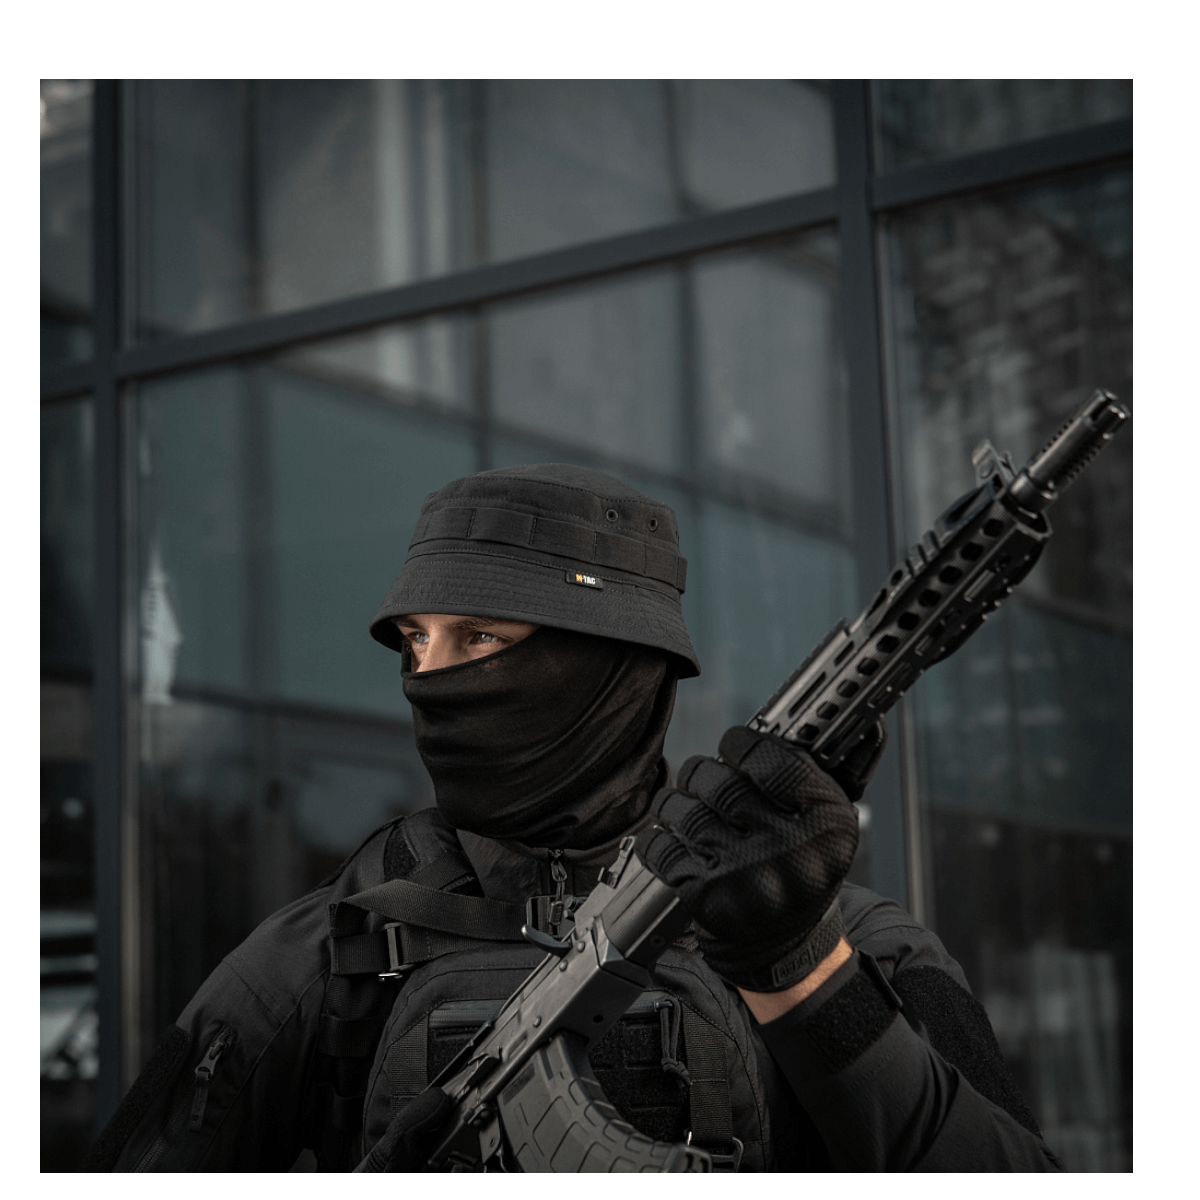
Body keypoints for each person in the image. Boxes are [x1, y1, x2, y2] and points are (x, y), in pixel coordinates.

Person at [80, 463, 1065, 1173]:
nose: (431, 678)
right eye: (417, 645)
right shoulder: (322, 955)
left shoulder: (840, 938)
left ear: (609, 666)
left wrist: (797, 970)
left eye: (479, 639)